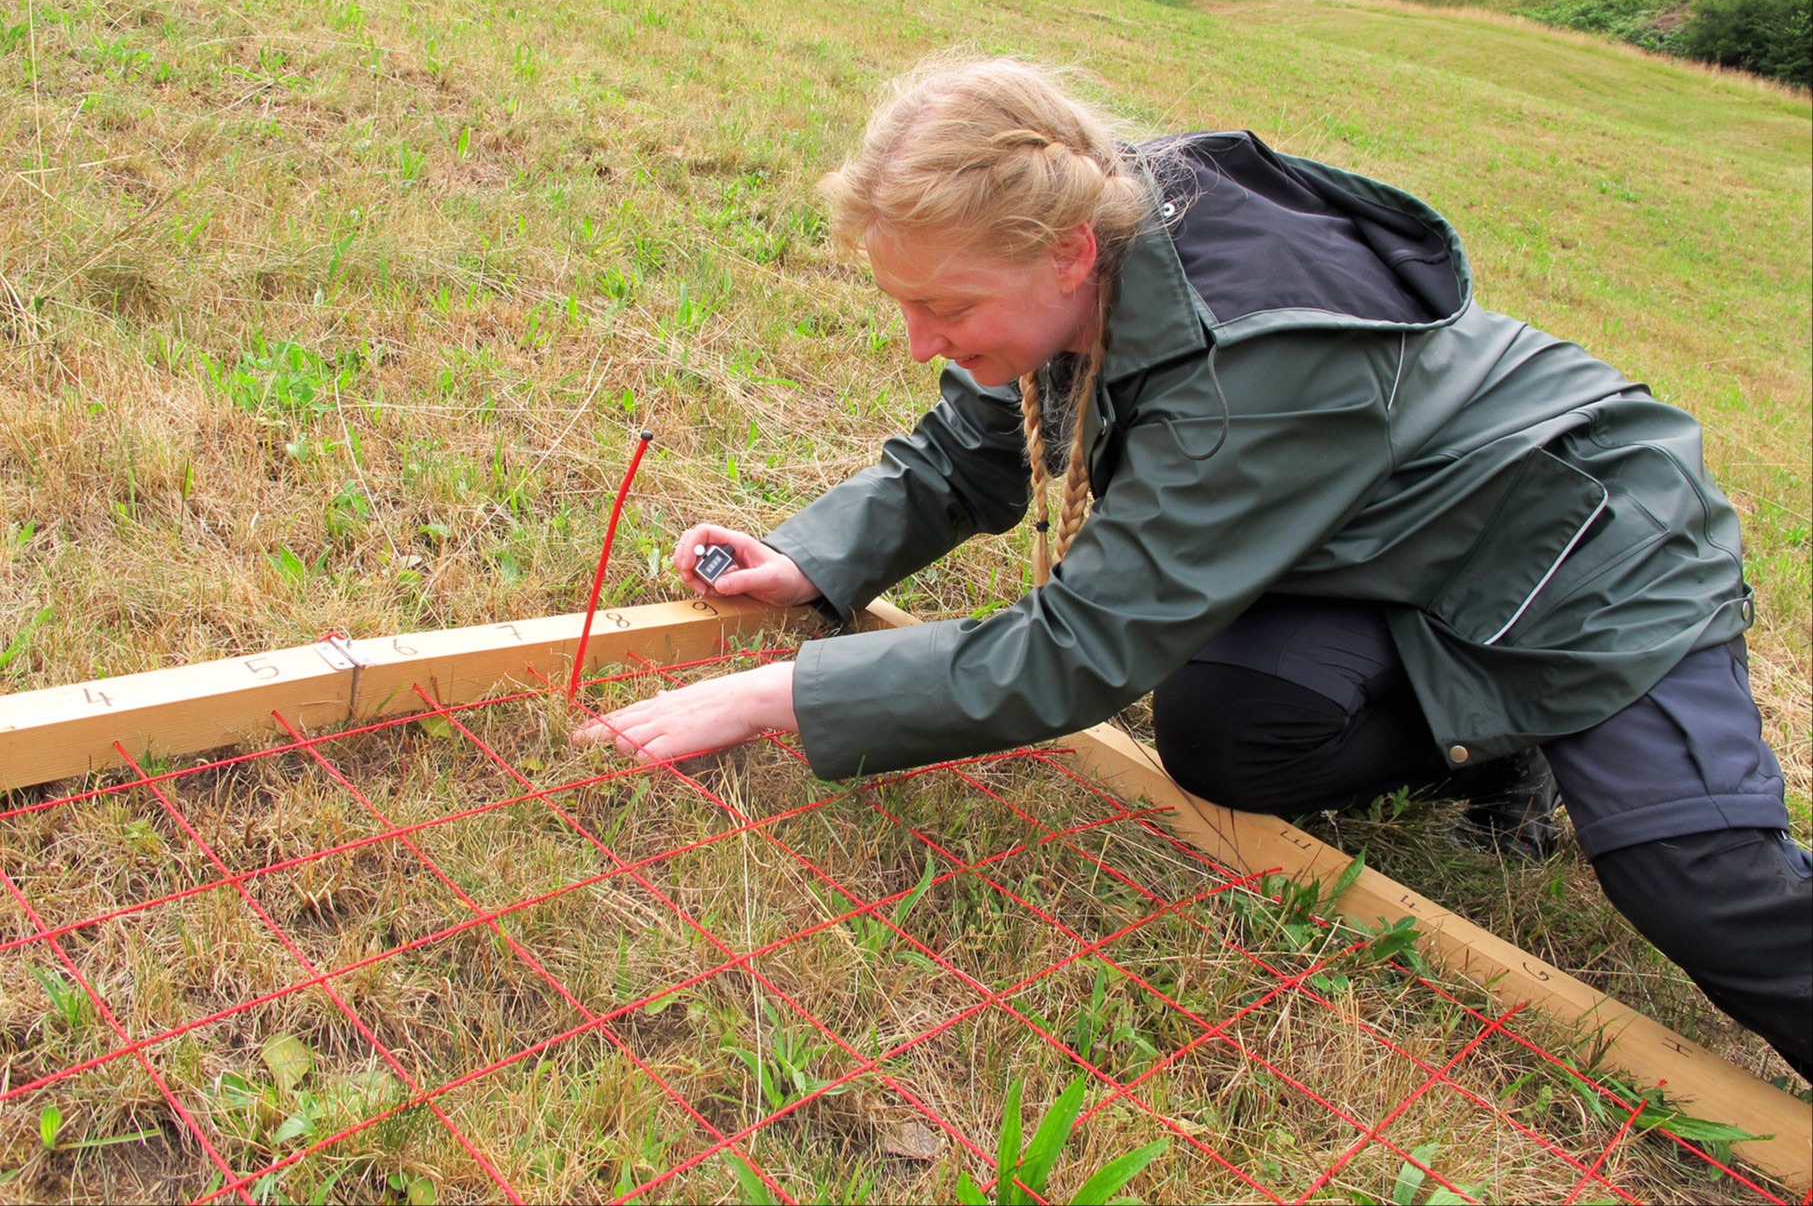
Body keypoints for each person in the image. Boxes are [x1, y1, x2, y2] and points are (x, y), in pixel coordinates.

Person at [574, 57, 1811, 1077]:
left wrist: (776, 695)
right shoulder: (1078, 233)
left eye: (945, 308)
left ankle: (1536, 742)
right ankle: (1497, 746)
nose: (920, 341)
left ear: (1064, 253)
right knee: (1228, 734)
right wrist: (811, 560)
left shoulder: (1245, 368)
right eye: (905, 304)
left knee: (1693, 885)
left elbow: (1079, 650)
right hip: (1383, 535)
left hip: (1586, 549)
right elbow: (974, 448)